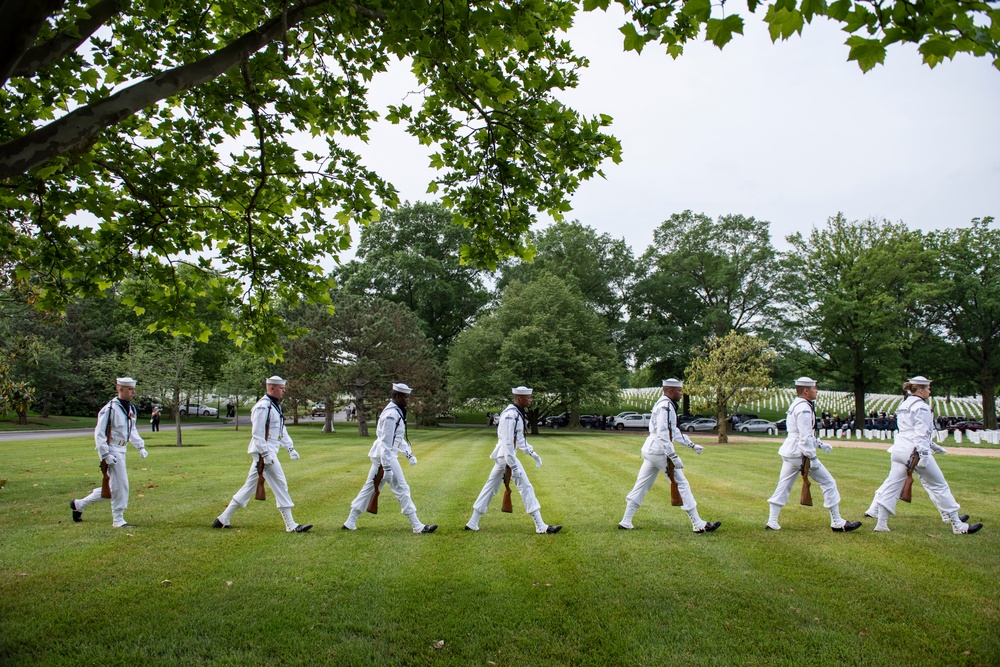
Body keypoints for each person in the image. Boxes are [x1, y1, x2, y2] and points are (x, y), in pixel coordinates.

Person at [868, 376, 982, 534]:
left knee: (892, 486)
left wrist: (934, 446)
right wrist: (925, 455)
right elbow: (921, 434)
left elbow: (908, 431)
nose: (929, 391)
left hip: (899, 450)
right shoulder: (921, 407)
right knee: (939, 485)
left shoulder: (905, 404)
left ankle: (881, 523)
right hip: (914, 452)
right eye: (928, 388)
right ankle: (957, 525)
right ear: (920, 390)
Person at [619, 378, 720, 533]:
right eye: (679, 391)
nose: (681, 393)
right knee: (682, 483)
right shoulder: (666, 406)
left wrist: (691, 445)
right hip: (659, 451)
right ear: (670, 391)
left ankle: (626, 521)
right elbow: (663, 433)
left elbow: (674, 430)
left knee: (642, 485)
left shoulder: (666, 405)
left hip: (651, 450)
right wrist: (673, 456)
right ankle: (698, 524)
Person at [212, 376, 311, 533]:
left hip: (269, 450)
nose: (284, 391)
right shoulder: (263, 407)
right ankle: (291, 524)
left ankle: (222, 519)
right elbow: (258, 434)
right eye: (281, 388)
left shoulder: (275, 406)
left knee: (249, 487)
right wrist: (265, 455)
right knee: (281, 484)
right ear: (271, 388)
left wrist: (290, 448)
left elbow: (281, 430)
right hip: (264, 451)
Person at [765, 377, 862, 533]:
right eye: (814, 388)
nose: (816, 391)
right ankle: (837, 522)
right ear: (806, 390)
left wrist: (820, 444)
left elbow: (801, 433)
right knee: (829, 482)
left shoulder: (796, 404)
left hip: (790, 451)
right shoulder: (804, 408)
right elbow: (804, 437)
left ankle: (772, 521)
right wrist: (813, 458)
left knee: (783, 486)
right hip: (800, 453)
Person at [342, 383, 437, 533]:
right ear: (397, 397)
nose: (408, 400)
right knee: (402, 489)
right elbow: (387, 443)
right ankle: (417, 526)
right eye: (405, 397)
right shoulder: (391, 415)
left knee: (369, 488)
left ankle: (350, 521)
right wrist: (386, 467)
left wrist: (408, 454)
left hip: (384, 456)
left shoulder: (395, 412)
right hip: (386, 457)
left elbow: (397, 438)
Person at [465, 386, 562, 534]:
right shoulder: (511, 415)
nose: (530, 400)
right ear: (519, 398)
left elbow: (520, 440)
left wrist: (533, 453)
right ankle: (541, 526)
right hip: (506, 456)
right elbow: (508, 443)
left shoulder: (517, 414)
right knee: (526, 487)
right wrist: (514, 466)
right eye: (528, 398)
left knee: (490, 487)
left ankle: (472, 522)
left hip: (504, 457)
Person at [70, 377, 149, 527]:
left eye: (133, 389)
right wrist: (105, 454)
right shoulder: (110, 409)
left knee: (113, 487)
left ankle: (79, 504)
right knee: (122, 485)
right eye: (130, 389)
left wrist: (140, 446)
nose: (133, 392)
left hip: (122, 449)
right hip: (112, 449)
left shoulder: (131, 409)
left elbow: (131, 430)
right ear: (120, 389)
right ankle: (118, 519)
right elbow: (99, 433)